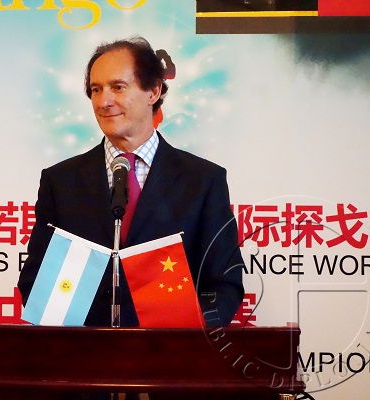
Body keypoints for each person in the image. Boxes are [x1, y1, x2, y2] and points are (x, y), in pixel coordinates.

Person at [18, 36, 244, 328]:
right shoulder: (61, 181)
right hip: (82, 350)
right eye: (96, 89)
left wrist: (189, 338)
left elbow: (223, 285)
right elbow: (35, 279)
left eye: (118, 87)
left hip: (169, 351)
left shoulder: (202, 181)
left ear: (153, 91)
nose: (104, 101)